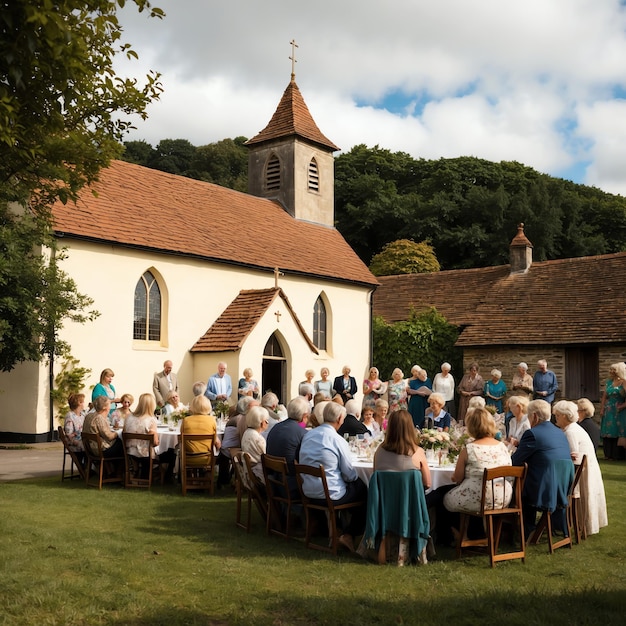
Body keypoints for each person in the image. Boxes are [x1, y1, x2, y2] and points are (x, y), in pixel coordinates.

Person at [298, 402, 368, 552]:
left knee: (356, 489)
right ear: (340, 418)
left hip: (308, 490)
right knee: (364, 490)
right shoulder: (337, 440)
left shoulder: (308, 435)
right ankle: (348, 534)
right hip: (330, 495)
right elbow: (349, 475)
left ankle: (340, 530)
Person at [511, 399, 572, 538]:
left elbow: (515, 461)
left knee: (516, 487)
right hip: (562, 487)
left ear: (535, 416)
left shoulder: (532, 434)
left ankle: (523, 530)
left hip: (542, 490)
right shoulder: (560, 433)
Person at [552, 400, 608, 535]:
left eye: (558, 415)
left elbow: (573, 457)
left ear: (565, 416)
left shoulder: (570, 431)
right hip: (585, 469)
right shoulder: (573, 428)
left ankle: (559, 523)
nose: (556, 418)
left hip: (581, 473)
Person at [373, 409, 431, 490]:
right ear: (410, 427)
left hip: (384, 500)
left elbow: (375, 478)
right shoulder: (417, 452)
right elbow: (427, 483)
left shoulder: (379, 451)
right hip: (410, 500)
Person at [266, 396, 309, 495]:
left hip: (273, 481)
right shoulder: (303, 434)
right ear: (304, 416)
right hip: (291, 485)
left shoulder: (275, 427)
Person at [217, 396, 255, 488]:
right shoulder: (242, 419)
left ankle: (230, 479)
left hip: (226, 448)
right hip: (232, 449)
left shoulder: (234, 417)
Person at [123, 393, 159, 477]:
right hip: (144, 454)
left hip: (130, 451)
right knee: (167, 453)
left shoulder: (129, 417)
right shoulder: (151, 420)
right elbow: (155, 442)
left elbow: (124, 432)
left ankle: (135, 473)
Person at [180, 394, 221, 466]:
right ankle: (206, 474)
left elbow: (181, 438)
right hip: (207, 458)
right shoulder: (212, 420)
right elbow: (216, 442)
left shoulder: (186, 420)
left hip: (188, 458)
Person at [599, 362, 626, 461]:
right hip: (609, 410)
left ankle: (616, 455)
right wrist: (602, 408)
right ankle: (607, 454)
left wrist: (623, 405)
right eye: (610, 369)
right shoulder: (609, 382)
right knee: (607, 431)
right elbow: (604, 397)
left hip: (619, 410)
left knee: (616, 430)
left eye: (613, 370)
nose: (611, 372)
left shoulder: (624, 382)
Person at [241, 405, 269, 484]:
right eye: (266, 421)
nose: (268, 423)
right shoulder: (258, 438)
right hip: (259, 475)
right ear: (262, 423)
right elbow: (266, 455)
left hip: (249, 474)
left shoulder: (247, 432)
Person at [64, 393, 86, 462]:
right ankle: (86, 469)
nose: (84, 403)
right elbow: (69, 434)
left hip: (83, 440)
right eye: (83, 402)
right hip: (75, 442)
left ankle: (89, 469)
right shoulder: (70, 416)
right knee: (91, 448)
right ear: (79, 403)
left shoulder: (83, 414)